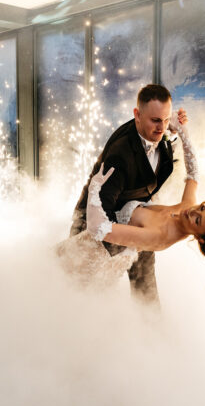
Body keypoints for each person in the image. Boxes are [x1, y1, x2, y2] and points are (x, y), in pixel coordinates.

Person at [84, 114, 205, 315]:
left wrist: (95, 187)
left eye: (197, 220)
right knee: (149, 310)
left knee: (75, 290)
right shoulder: (186, 209)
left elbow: (99, 229)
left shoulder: (160, 235)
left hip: (106, 247)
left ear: (200, 239)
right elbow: (194, 173)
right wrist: (181, 130)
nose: (191, 211)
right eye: (202, 208)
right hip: (124, 237)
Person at [70, 84, 177, 303]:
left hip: (135, 215)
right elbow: (101, 214)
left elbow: (159, 163)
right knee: (80, 292)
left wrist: (174, 130)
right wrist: (128, 247)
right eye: (156, 120)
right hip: (95, 220)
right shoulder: (120, 155)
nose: (162, 127)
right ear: (137, 115)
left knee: (146, 286)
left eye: (166, 120)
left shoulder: (160, 134)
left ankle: (150, 322)